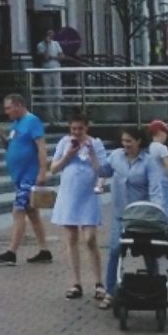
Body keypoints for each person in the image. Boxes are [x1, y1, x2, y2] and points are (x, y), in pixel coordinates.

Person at [100, 127, 168, 304]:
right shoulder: (116, 156)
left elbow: (155, 189)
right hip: (121, 214)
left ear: (139, 141)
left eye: (129, 141)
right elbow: (103, 171)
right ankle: (110, 290)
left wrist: (157, 211)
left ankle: (154, 284)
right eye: (123, 141)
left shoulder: (149, 162)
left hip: (141, 215)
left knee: (147, 249)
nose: (125, 145)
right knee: (115, 249)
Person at [46, 112, 108, 301]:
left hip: (88, 194)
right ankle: (75, 282)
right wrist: (68, 155)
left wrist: (91, 156)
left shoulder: (95, 144)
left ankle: (98, 281)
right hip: (69, 194)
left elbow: (103, 170)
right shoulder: (65, 142)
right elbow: (54, 168)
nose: (77, 133)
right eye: (73, 129)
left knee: (89, 238)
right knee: (71, 238)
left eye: (80, 129)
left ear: (86, 128)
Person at [0, 93, 54, 265]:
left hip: (29, 175)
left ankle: (11, 252)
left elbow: (41, 148)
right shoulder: (16, 124)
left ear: (18, 106)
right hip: (18, 175)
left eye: (9, 108)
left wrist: (42, 171)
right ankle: (44, 250)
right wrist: (1, 136)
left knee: (18, 211)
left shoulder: (32, 121)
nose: (7, 112)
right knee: (32, 213)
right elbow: (10, 147)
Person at [36, 30, 64, 113]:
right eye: (48, 34)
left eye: (51, 34)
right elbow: (46, 58)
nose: (50, 36)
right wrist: (47, 46)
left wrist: (53, 57)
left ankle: (58, 114)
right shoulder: (40, 45)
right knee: (47, 91)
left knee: (57, 91)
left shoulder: (56, 44)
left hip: (56, 69)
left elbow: (62, 56)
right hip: (46, 70)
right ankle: (49, 115)